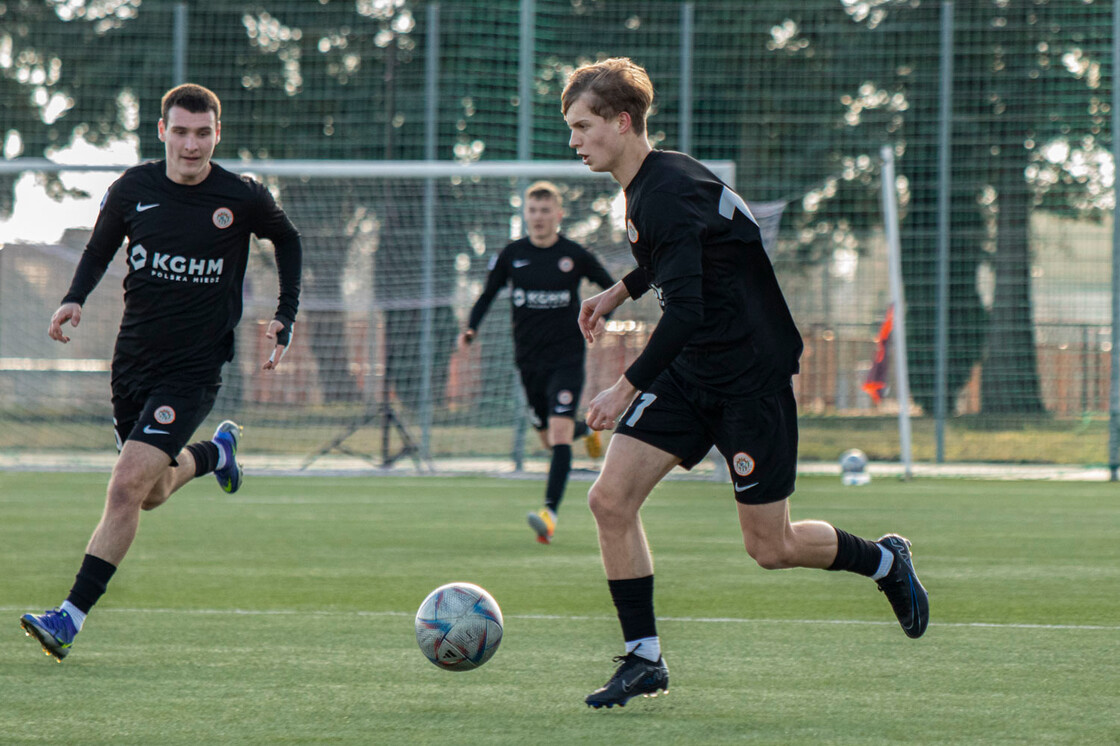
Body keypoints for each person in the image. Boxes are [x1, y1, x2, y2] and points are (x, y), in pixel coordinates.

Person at [563, 58, 929, 708]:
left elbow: (690, 309)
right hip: (692, 370)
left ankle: (884, 561)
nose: (575, 140)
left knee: (772, 546)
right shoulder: (655, 182)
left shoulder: (663, 191)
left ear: (622, 122)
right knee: (609, 501)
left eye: (584, 125)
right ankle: (645, 659)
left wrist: (624, 387)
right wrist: (619, 291)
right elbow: (680, 254)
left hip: (748, 378)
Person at [19, 83, 302, 662]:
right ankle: (215, 455)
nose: (191, 145)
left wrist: (285, 316)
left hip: (194, 369)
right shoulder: (133, 188)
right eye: (181, 132)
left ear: (216, 134)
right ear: (162, 131)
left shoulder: (241, 196)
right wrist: (74, 298)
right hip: (133, 364)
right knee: (151, 492)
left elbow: (288, 240)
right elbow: (98, 250)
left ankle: (68, 617)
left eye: (203, 133)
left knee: (124, 486)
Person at [459, 181, 615, 545]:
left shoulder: (574, 255)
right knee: (548, 438)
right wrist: (470, 329)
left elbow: (612, 286)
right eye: (533, 210)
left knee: (557, 434)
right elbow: (486, 295)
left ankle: (549, 514)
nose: (539, 217)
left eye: (546, 211)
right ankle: (588, 431)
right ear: (525, 214)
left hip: (567, 358)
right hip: (528, 362)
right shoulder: (512, 255)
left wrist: (604, 314)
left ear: (558, 215)